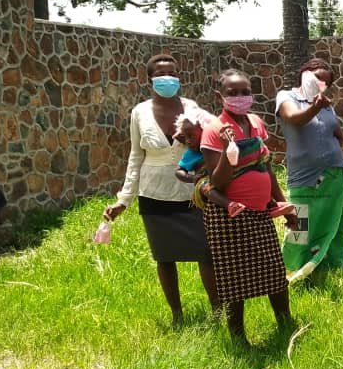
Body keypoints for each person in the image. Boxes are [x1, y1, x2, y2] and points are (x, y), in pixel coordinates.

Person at [103, 53, 219, 325]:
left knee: (205, 253)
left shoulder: (192, 108)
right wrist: (124, 200)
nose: (169, 79)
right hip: (153, 194)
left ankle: (218, 312)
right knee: (164, 257)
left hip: (192, 193)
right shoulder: (139, 113)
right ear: (149, 79)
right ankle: (177, 315)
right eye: (162, 75)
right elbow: (135, 157)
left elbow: (217, 132)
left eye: (173, 74)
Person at [200, 69, 299, 345]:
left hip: (259, 212)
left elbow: (265, 166)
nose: (240, 97)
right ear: (219, 96)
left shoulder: (255, 123)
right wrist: (227, 150)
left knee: (274, 272)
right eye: (233, 93)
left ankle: (285, 323)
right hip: (230, 215)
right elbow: (216, 183)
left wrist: (281, 202)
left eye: (245, 91)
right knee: (234, 279)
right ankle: (238, 337)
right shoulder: (213, 130)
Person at [276, 58, 343, 282]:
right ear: (304, 73)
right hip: (303, 175)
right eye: (317, 77)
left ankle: (331, 266)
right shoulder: (287, 97)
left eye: (326, 81)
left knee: (334, 219)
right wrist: (315, 107)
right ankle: (292, 268)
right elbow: (293, 119)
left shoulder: (327, 104)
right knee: (300, 224)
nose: (320, 83)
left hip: (334, 173)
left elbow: (338, 133)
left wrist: (332, 146)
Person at [174, 111, 242, 215]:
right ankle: (229, 205)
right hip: (206, 182)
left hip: (226, 178)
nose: (187, 141)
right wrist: (192, 178)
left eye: (191, 136)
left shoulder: (217, 146)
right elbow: (179, 171)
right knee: (205, 186)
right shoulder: (191, 154)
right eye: (185, 137)